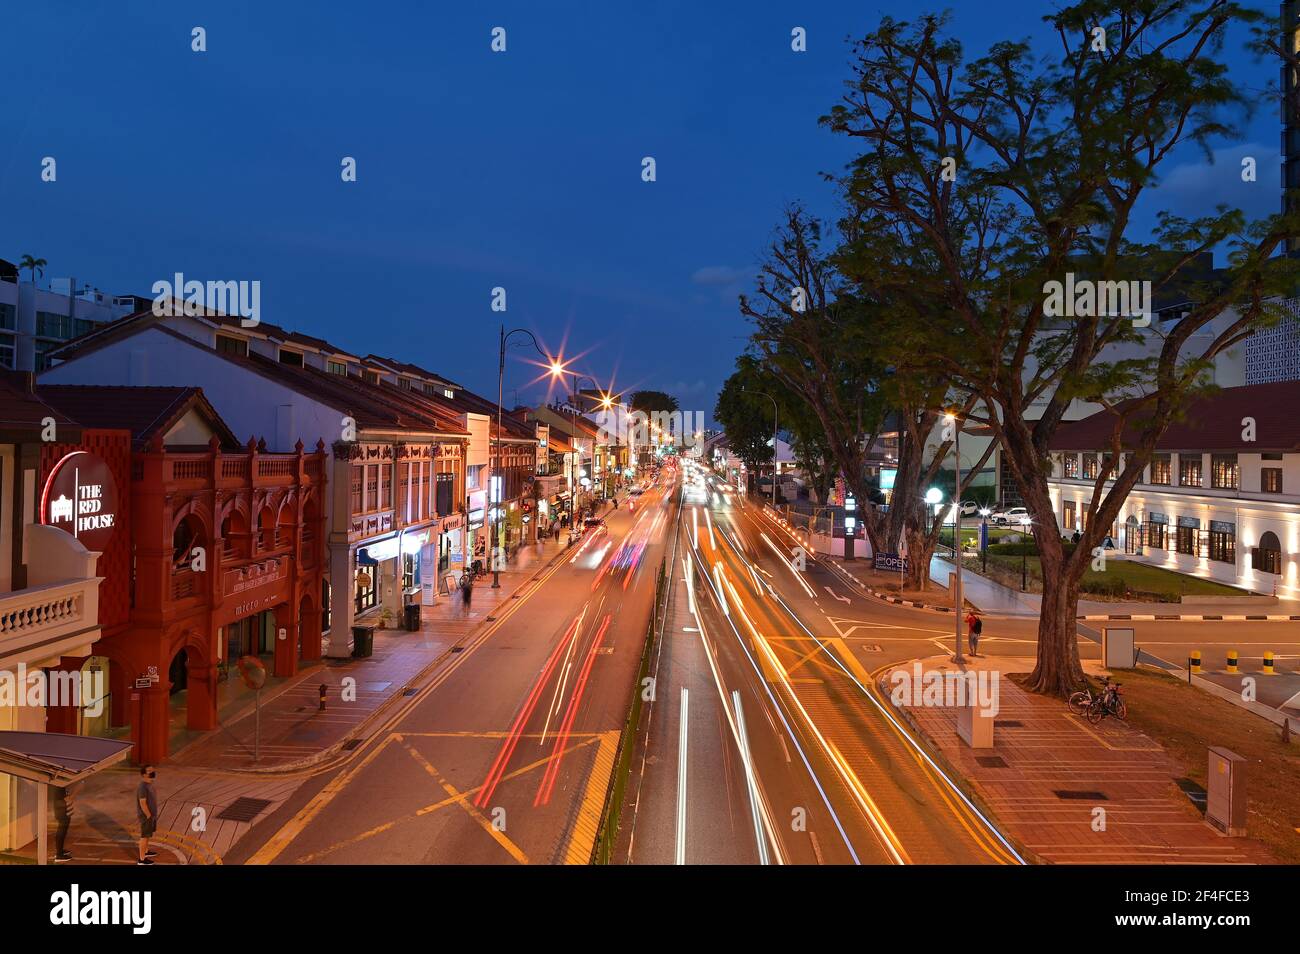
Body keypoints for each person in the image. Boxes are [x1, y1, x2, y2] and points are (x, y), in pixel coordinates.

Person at [137, 765, 159, 865]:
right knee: (144, 836)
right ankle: (141, 860)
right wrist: (148, 815)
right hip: (147, 816)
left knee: (148, 835)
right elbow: (142, 802)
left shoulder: (150, 783)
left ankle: (146, 852)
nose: (152, 771)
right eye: (149, 770)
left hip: (151, 815)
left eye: (152, 769)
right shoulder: (143, 787)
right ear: (144, 774)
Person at [53, 783, 76, 862]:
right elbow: (67, 798)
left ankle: (60, 851)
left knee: (63, 832)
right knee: (61, 832)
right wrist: (78, 789)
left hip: (62, 810)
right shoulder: (59, 785)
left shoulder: (60, 785)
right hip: (61, 812)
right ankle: (59, 855)